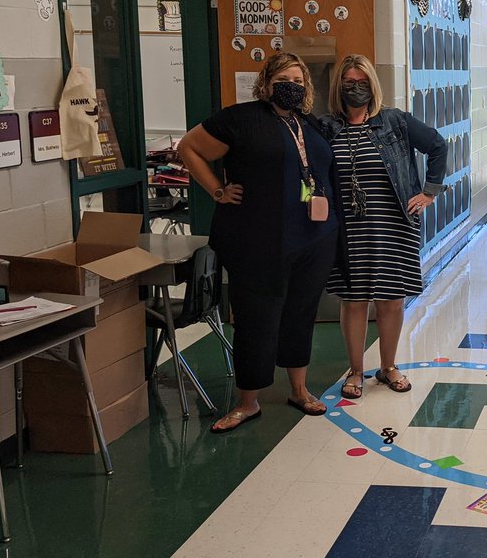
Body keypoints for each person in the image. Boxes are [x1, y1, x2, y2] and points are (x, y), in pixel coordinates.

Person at [177, 53, 338, 433]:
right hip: (257, 240)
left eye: (299, 80)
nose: (293, 85)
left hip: (312, 239)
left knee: (301, 313)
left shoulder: (310, 124)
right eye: (284, 77)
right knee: (256, 318)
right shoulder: (241, 118)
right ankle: (247, 402)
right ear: (266, 82)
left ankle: (299, 389)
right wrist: (217, 190)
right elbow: (189, 148)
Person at [320, 54, 447, 398]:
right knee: (354, 299)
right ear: (339, 86)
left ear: (373, 84)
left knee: (391, 299)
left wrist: (429, 192)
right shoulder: (327, 127)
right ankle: (357, 370)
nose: (356, 88)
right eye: (349, 82)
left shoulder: (395, 122)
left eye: (362, 81)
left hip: (394, 223)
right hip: (349, 228)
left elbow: (437, 145)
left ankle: (388, 366)